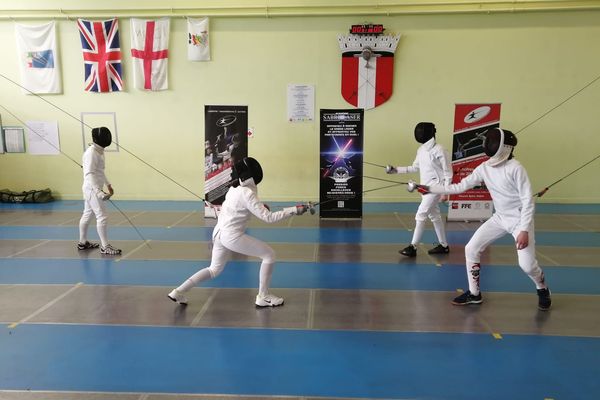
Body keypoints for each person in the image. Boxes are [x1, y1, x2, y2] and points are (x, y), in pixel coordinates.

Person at [413, 127, 551, 310]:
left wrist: (524, 229)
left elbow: (528, 201)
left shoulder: (516, 168)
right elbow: (459, 187)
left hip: (519, 221)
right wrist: (430, 189)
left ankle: (542, 287)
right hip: (500, 218)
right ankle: (474, 294)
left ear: (505, 148)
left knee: (526, 266)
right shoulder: (484, 168)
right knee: (471, 249)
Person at [168, 157, 309, 307]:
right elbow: (269, 218)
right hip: (231, 236)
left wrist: (260, 206)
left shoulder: (233, 189)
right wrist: (294, 210)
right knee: (269, 255)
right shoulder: (248, 193)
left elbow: (239, 209)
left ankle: (178, 291)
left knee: (214, 269)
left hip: (218, 233)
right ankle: (263, 296)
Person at [385, 122, 453, 257]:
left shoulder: (440, 149)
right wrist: (396, 170)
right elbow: (414, 167)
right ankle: (444, 245)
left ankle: (413, 247)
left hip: (436, 188)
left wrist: (445, 192)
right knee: (435, 216)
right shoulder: (421, 150)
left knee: (420, 215)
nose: (419, 134)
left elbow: (448, 172)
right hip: (424, 188)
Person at [77, 127, 122, 255]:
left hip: (93, 188)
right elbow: (89, 174)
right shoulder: (91, 153)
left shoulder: (99, 151)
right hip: (92, 189)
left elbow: (99, 171)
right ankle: (105, 247)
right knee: (102, 216)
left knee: (88, 213)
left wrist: (108, 184)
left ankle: (82, 242)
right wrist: (98, 191)